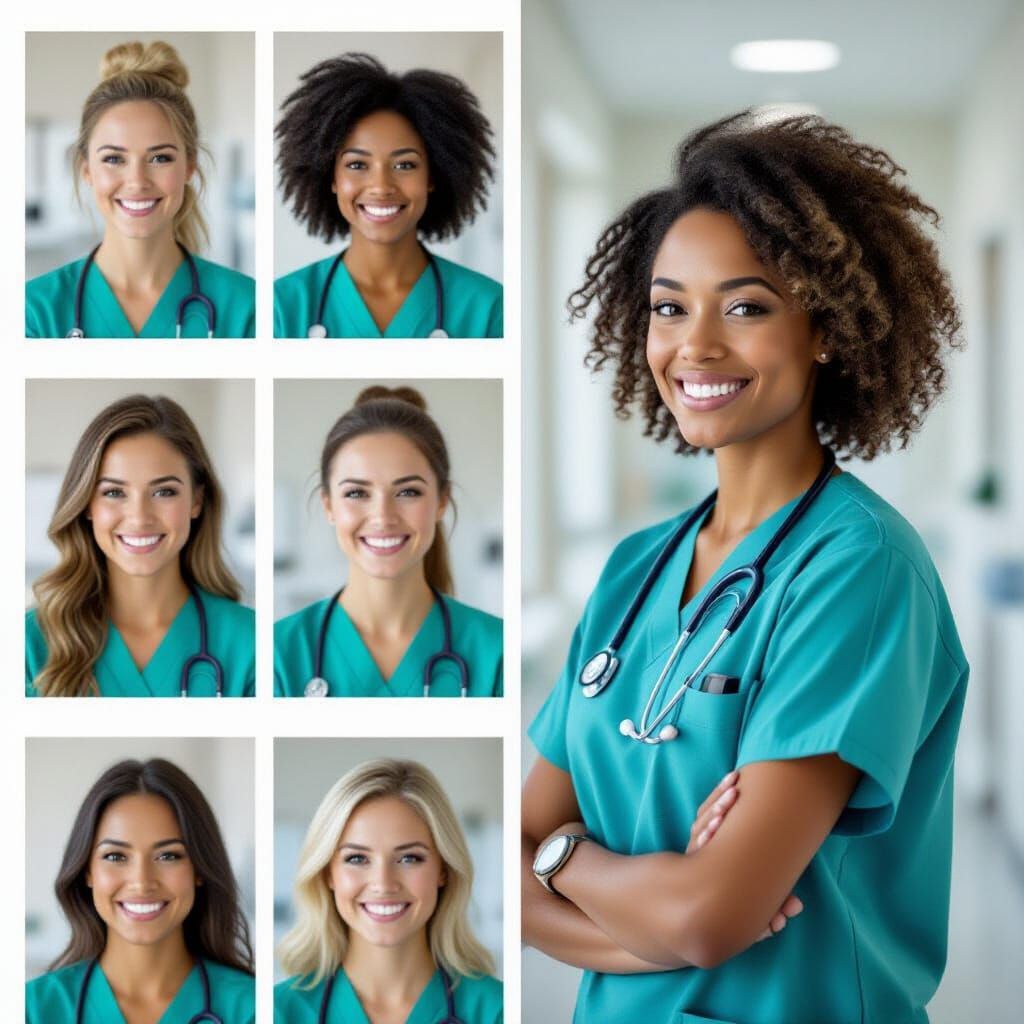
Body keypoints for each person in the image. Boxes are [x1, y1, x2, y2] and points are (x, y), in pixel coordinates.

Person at [522, 111, 969, 1024]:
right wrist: (638, 901)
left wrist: (571, 861)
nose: (697, 345)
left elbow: (713, 915)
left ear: (827, 331)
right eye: (669, 305)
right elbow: (516, 859)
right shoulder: (634, 571)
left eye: (748, 305)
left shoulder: (861, 570)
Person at [274, 386, 502, 697]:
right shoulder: (278, 654)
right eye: (357, 493)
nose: (382, 516)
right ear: (329, 505)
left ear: (441, 501)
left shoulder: (496, 652)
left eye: (408, 492)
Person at [26, 394, 255, 697]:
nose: (139, 517)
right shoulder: (30, 642)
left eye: (163, 492)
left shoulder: (251, 642)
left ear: (196, 500)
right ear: (86, 504)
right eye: (114, 492)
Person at [26, 41, 255, 339]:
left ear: (189, 166)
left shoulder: (248, 307)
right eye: (114, 159)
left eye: (160, 158)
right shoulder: (32, 311)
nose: (136, 181)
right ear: (87, 170)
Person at [274, 53, 502, 339]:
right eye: (357, 165)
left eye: (404, 165)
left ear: (432, 176)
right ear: (331, 177)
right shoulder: (281, 307)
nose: (381, 186)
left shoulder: (488, 308)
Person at [26, 758, 254, 1023]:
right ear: (87, 871)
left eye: (168, 856)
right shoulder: (31, 1009)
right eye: (115, 856)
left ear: (199, 870)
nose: (142, 881)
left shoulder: (252, 1009)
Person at [275, 758, 503, 1023]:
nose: (383, 884)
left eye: (409, 858)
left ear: (443, 870)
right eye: (357, 859)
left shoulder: (497, 1010)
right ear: (328, 873)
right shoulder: (278, 1011)